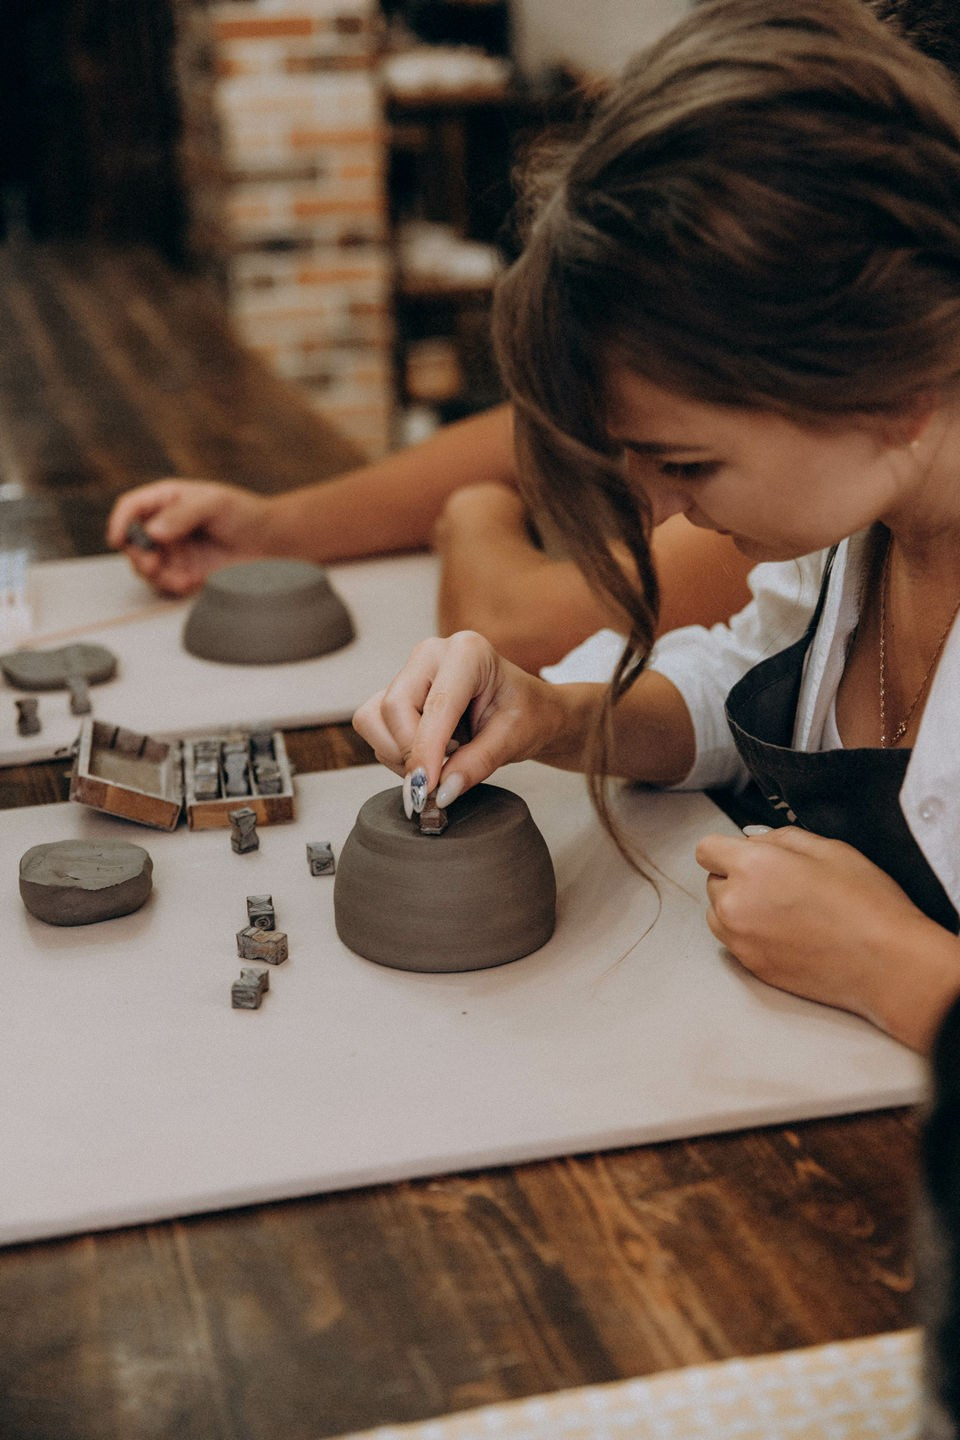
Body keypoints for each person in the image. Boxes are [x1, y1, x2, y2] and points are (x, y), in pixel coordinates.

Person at [353, 0, 960, 1055]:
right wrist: (555, 712)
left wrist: (899, 970)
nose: (661, 508)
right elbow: (744, 683)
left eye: (687, 463)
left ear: (897, 391)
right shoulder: (862, 520)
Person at [105, 405, 754, 672]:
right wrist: (277, 531)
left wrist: (477, 512)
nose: (657, 499)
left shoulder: (774, 518)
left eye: (686, 464)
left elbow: (514, 630)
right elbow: (536, 428)